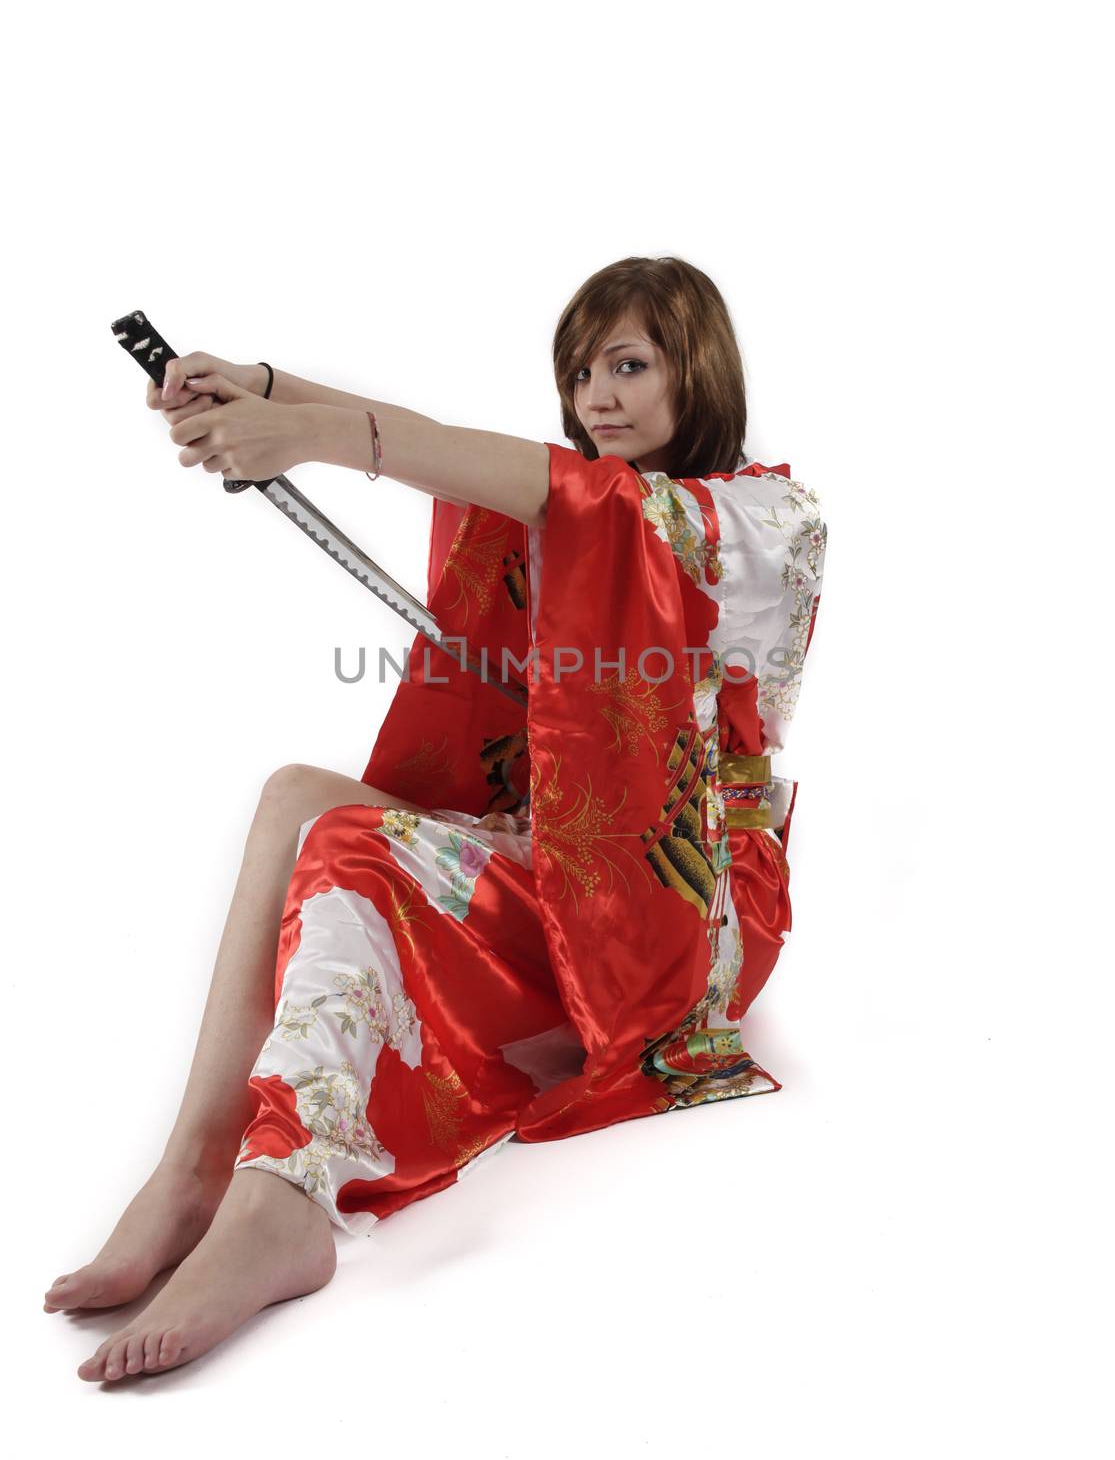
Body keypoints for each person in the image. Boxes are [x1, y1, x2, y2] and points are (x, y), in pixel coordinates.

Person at [45, 255, 828, 1380]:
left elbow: (571, 501)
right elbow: (456, 447)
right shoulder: (600, 494)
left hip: (687, 910)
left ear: (695, 371)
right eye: (579, 370)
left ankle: (287, 1198)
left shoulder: (761, 518)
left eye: (628, 364)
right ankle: (196, 1163)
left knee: (353, 846)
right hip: (574, 855)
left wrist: (301, 437)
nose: (595, 394)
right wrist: (261, 389)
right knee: (293, 797)